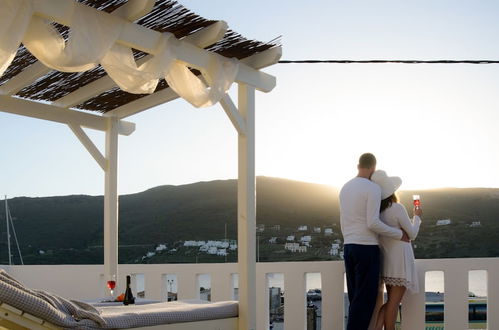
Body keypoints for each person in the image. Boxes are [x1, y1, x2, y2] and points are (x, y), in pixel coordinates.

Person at [339, 153, 410, 330]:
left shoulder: (345, 188)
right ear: (373, 167)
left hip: (349, 247)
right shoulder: (372, 188)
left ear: (358, 165)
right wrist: (397, 234)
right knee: (365, 301)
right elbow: (372, 222)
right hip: (366, 248)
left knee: (355, 299)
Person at [370, 170, 422, 330]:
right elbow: (412, 234)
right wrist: (417, 217)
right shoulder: (397, 208)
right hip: (401, 260)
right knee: (394, 302)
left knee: (391, 301)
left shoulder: (376, 211)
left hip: (387, 259)